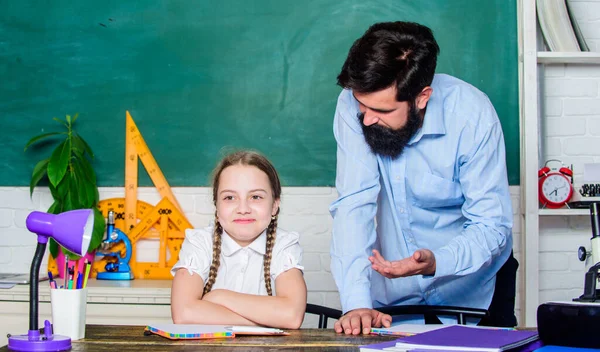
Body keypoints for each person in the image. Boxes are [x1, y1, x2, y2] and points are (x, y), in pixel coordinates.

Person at [329, 21, 518, 335]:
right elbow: (353, 205)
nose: (367, 118)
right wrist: (356, 302)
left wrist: (437, 262)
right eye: (361, 106)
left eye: (382, 110)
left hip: (473, 286)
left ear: (422, 97)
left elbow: (492, 224)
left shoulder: (472, 115)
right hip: (393, 294)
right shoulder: (356, 105)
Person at [171, 150, 307, 329]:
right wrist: (262, 323)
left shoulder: (283, 245)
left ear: (274, 205)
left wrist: (219, 296)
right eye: (229, 197)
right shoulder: (200, 243)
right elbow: (184, 313)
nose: (243, 208)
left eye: (256, 197)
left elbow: (291, 316)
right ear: (217, 207)